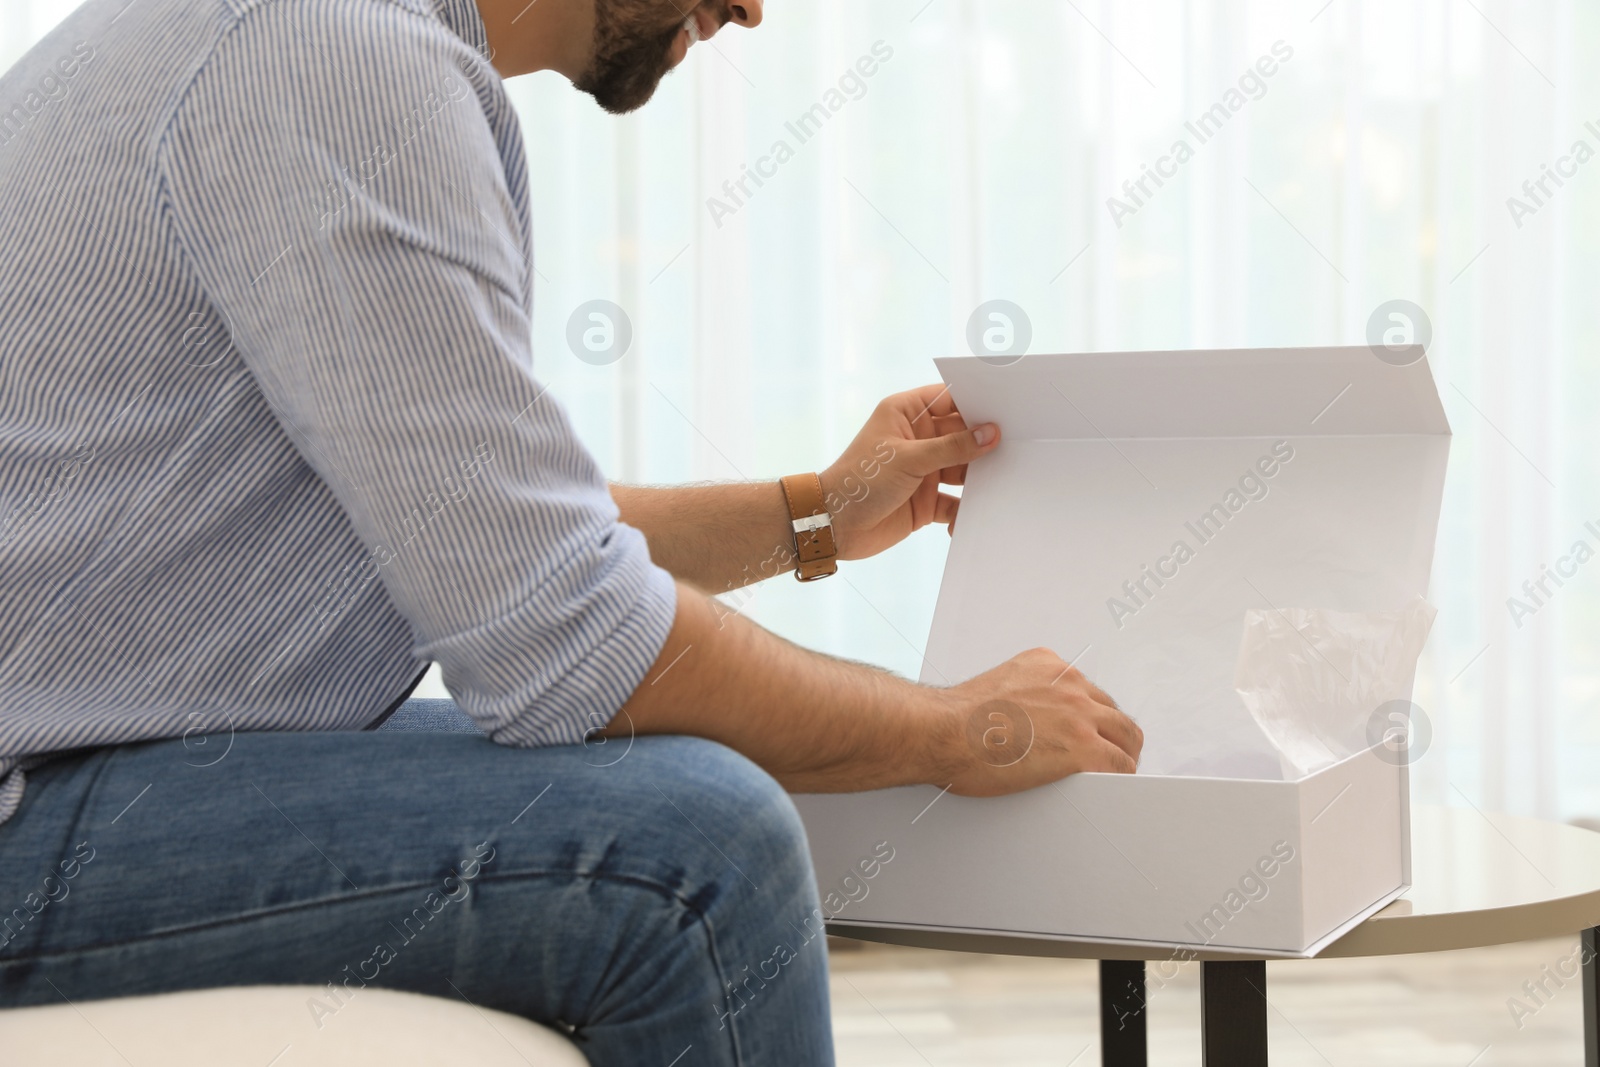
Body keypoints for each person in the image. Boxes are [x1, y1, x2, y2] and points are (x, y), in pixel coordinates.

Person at [0, 0, 1142, 1060]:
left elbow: (478, 527)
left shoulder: (316, 39)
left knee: (701, 762)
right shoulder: (334, 64)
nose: (751, 7)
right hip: (33, 804)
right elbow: (559, 645)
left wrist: (813, 514)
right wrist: (956, 727)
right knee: (703, 845)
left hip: (87, 756)